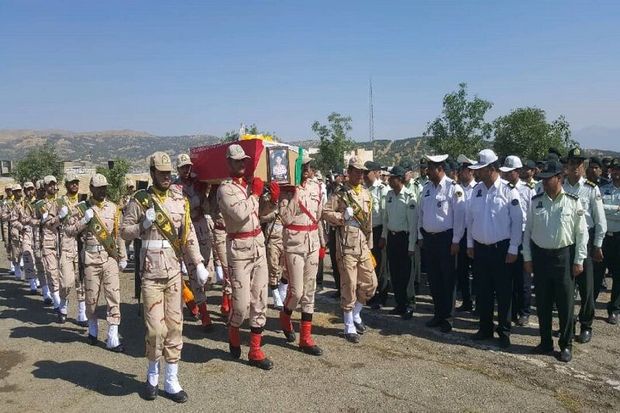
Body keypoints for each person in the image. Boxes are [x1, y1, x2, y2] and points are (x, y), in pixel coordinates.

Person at [122, 152, 208, 403]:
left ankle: (171, 380)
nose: (166, 177)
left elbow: (188, 235)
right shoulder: (140, 200)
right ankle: (152, 374)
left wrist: (199, 263)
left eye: (168, 172)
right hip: (150, 275)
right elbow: (125, 232)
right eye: (161, 173)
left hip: (173, 273)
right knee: (155, 329)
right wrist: (142, 227)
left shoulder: (179, 199)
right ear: (151, 173)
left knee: (174, 327)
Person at [217, 144, 279, 370]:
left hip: (258, 245)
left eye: (243, 160)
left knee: (260, 300)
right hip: (239, 248)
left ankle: (255, 350)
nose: (241, 164)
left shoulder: (247, 186)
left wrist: (271, 200)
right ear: (229, 162)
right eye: (236, 161)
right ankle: (233, 329)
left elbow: (261, 214)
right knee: (241, 305)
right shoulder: (225, 189)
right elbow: (241, 214)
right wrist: (254, 193)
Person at [523, 160, 588, 362]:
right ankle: (545, 342)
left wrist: (579, 260)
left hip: (563, 257)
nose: (543, 183)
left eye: (547, 179)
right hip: (541, 257)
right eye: (542, 179)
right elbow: (528, 233)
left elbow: (581, 234)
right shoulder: (536, 202)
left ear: (559, 178)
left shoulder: (573, 202)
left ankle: (566, 345)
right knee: (542, 302)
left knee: (565, 304)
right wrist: (528, 257)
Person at [467, 149, 523, 348]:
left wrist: (514, 248)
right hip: (481, 249)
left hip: (502, 250)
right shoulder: (477, 190)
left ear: (491, 169)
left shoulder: (508, 190)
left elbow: (518, 222)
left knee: (503, 292)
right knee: (483, 290)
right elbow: (470, 219)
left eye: (480, 169)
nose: (477, 173)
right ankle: (485, 328)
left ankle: (504, 332)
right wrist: (470, 244)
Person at [65, 174, 127, 351]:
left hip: (109, 259)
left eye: (104, 187)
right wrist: (84, 221)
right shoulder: (81, 208)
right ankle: (92, 328)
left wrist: (122, 257)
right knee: (92, 299)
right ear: (91, 189)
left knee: (113, 296)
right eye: (98, 187)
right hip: (90, 260)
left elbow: (119, 235)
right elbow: (69, 231)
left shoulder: (114, 208)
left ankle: (113, 337)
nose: (102, 190)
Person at [322, 157, 378, 343]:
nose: (360, 174)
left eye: (362, 171)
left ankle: (355, 313)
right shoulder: (340, 193)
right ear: (349, 171)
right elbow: (325, 213)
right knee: (349, 285)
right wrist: (341, 216)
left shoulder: (365, 193)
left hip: (362, 245)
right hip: (346, 246)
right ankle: (348, 325)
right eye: (356, 171)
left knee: (371, 284)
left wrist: (369, 246)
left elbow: (368, 223)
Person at [278, 153, 323, 355]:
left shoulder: (317, 187)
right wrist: (295, 195)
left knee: (309, 291)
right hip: (295, 243)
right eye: (303, 167)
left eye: (309, 166)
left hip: (312, 242)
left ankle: (306, 338)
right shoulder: (287, 190)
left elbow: (318, 215)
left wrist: (322, 242)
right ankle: (285, 315)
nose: (307, 169)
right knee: (296, 291)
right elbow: (285, 218)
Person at [562, 147, 607, 344]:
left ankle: (586, 325)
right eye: (572, 163)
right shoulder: (560, 187)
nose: (575, 167)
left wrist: (597, 245)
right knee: (566, 289)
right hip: (565, 242)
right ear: (567, 166)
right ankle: (568, 325)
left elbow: (600, 221)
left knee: (586, 288)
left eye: (579, 164)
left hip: (586, 242)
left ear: (584, 166)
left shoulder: (590, 189)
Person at [418, 155, 465, 332]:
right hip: (430, 240)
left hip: (447, 240)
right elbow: (421, 214)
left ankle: (448, 318)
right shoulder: (427, 188)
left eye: (430, 168)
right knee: (434, 279)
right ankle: (438, 314)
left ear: (439, 169)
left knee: (448, 279)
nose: (427, 172)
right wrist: (421, 235)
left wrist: (456, 240)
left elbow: (460, 217)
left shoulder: (453, 188)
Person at [174, 153, 213, 331]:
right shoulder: (174, 188)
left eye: (188, 166)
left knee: (207, 272)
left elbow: (207, 208)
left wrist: (204, 191)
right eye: (183, 167)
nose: (186, 169)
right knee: (194, 270)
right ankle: (205, 314)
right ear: (178, 169)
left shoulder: (197, 184)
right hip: (188, 232)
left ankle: (191, 297)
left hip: (203, 229)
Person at [500, 156, 536, 327]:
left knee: (523, 278)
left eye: (510, 172)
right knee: (508, 277)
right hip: (507, 236)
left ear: (518, 171)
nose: (507, 175)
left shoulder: (528, 190)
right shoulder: (503, 189)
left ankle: (524, 311)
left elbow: (532, 216)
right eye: (505, 172)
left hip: (523, 236)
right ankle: (512, 310)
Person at [379, 165, 418, 319]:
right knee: (394, 273)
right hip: (392, 238)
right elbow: (385, 219)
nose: (389, 179)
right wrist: (383, 236)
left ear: (400, 179)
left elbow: (413, 224)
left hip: (404, 238)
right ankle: (399, 304)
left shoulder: (410, 197)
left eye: (392, 177)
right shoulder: (389, 195)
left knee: (406, 275)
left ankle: (409, 305)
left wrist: (411, 246)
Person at [56, 172, 88, 325]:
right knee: (66, 281)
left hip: (81, 245)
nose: (74, 184)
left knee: (81, 280)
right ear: (66, 185)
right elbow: (61, 224)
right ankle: (63, 305)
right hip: (67, 245)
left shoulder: (84, 200)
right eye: (71, 182)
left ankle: (82, 313)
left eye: (76, 182)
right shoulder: (61, 202)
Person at [365, 161, 390, 309]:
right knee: (369, 265)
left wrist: (384, 236)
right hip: (368, 231)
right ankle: (371, 294)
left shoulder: (382, 190)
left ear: (375, 172)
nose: (364, 175)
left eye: (366, 172)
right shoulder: (364, 189)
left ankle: (382, 296)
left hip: (379, 230)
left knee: (380, 266)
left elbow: (385, 215)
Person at [600, 158, 620, 324]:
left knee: (619, 277)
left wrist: (608, 211)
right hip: (604, 236)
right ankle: (588, 309)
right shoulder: (602, 189)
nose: (616, 173)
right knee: (596, 274)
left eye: (618, 170)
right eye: (614, 170)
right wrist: (617, 209)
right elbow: (599, 210)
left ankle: (614, 309)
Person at [455, 155, 476, 311]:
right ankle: (467, 301)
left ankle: (479, 301)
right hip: (461, 235)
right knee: (461, 270)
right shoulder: (457, 188)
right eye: (460, 170)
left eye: (464, 170)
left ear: (471, 172)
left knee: (477, 272)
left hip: (475, 234)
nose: (461, 173)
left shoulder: (478, 189)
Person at [39, 176, 63, 313]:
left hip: (63, 241)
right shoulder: (40, 205)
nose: (53, 187)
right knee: (52, 271)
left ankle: (60, 298)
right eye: (50, 185)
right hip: (48, 241)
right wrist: (41, 221)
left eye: (54, 184)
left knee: (62, 274)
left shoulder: (62, 201)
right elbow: (38, 222)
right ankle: (56, 300)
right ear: (45, 187)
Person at [8, 184, 24, 280]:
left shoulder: (24, 202)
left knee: (25, 248)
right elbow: (3, 215)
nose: (19, 192)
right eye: (16, 191)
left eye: (20, 190)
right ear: (13, 192)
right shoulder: (10, 203)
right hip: (14, 227)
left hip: (25, 226)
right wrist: (10, 215)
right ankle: (17, 267)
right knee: (15, 249)